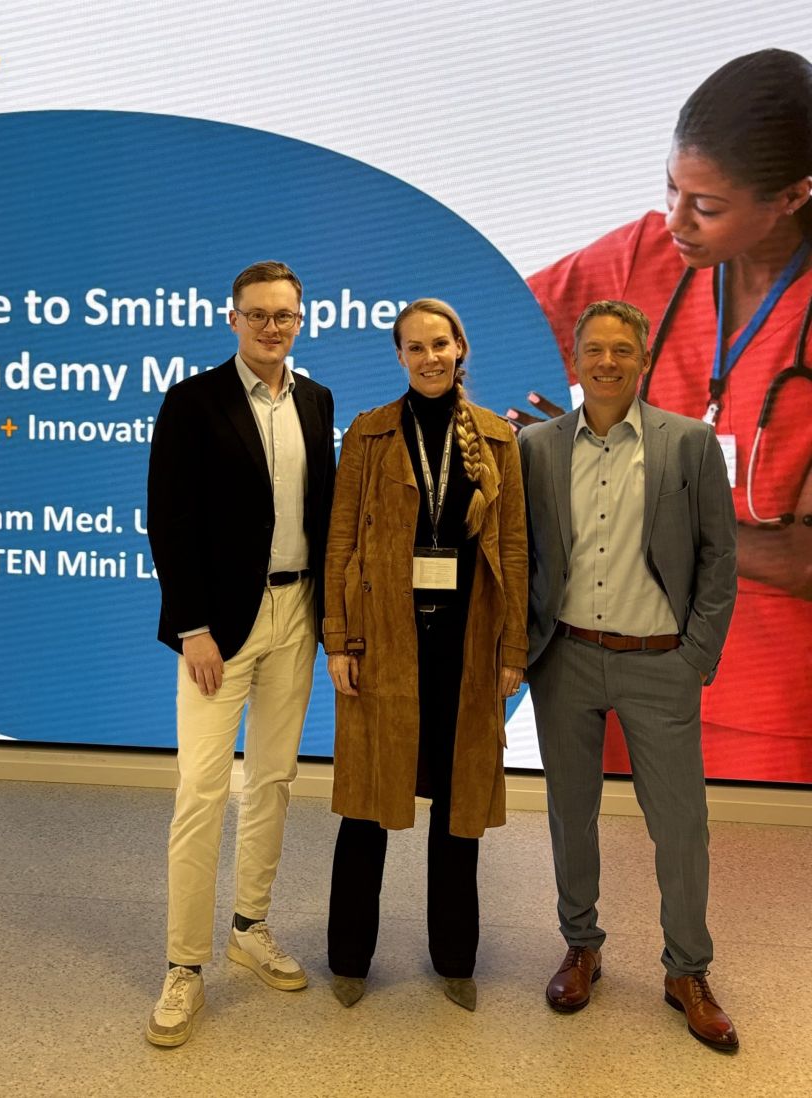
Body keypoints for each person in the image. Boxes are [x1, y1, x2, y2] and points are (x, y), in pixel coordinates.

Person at [519, 49, 812, 784]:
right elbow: (487, 331)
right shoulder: (643, 255)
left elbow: (803, 561)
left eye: (706, 207)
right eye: (671, 188)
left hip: (767, 704)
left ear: (792, 195)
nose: (676, 221)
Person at [519, 299, 739, 1051]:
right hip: (566, 658)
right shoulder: (538, 446)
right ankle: (581, 946)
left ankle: (688, 970)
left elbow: (718, 556)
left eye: (622, 350)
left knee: (680, 825)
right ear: (575, 360)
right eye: (594, 350)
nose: (607, 362)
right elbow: (524, 555)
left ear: (643, 360)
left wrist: (695, 656)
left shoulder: (689, 442)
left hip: (660, 663)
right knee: (570, 813)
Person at [143, 260, 336, 1047]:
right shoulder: (193, 401)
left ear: (300, 320)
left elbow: (322, 514)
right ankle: (184, 966)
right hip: (218, 629)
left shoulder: (316, 401)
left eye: (283, 315)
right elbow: (169, 518)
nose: (270, 327)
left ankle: (250, 928)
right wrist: (192, 627)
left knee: (275, 779)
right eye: (257, 314)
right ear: (233, 319)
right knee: (201, 789)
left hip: (298, 611)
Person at [322, 299, 527, 1012]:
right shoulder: (370, 432)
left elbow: (514, 549)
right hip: (384, 644)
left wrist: (513, 650)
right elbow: (341, 540)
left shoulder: (498, 439)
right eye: (415, 347)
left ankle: (455, 960)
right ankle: (349, 959)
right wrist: (338, 638)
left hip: (466, 646)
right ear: (399, 356)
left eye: (440, 344)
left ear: (460, 347)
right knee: (366, 807)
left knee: (458, 807)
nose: (429, 357)